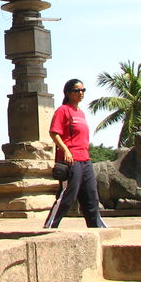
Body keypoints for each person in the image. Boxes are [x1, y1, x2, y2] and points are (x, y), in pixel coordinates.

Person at [44, 78, 107, 229]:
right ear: (68, 93)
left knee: (91, 195)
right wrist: (65, 150)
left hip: (85, 159)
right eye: (77, 90)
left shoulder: (81, 113)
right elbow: (54, 133)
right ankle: (50, 225)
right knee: (68, 195)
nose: (81, 93)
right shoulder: (63, 110)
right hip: (70, 159)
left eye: (83, 90)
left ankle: (97, 227)